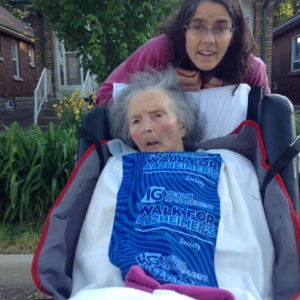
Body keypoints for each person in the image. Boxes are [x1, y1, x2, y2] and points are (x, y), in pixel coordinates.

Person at [70, 68, 275, 300]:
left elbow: (248, 239)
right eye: (136, 120)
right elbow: (96, 245)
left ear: (183, 125)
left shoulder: (229, 164)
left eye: (157, 115)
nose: (146, 127)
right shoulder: (117, 169)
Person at [95, 0, 271, 106]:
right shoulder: (161, 50)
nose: (208, 39)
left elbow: (268, 121)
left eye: (221, 28)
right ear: (183, 30)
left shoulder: (250, 68)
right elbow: (103, 97)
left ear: (234, 33)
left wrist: (235, 96)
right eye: (197, 26)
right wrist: (162, 84)